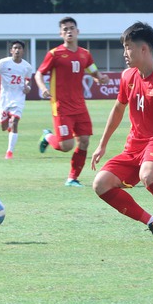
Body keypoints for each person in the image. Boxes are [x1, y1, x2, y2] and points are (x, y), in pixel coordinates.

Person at [91, 22, 153, 246]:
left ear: (143, 49)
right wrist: (102, 144)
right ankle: (152, 222)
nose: (124, 53)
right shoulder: (128, 76)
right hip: (133, 147)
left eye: (128, 47)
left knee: (149, 175)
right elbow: (118, 109)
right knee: (101, 184)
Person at [34, 16, 108, 186]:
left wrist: (100, 77)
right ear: (61, 33)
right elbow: (39, 73)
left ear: (77, 31)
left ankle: (72, 178)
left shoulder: (85, 54)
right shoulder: (54, 54)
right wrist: (43, 88)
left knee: (84, 141)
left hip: (80, 105)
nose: (69, 31)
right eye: (65, 29)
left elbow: (94, 72)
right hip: (61, 106)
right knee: (66, 145)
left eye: (71, 28)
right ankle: (48, 136)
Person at [0, 40, 34, 159]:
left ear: (23, 51)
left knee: (15, 122)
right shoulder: (3, 63)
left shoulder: (27, 66)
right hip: (5, 99)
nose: (17, 50)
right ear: (11, 50)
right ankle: (9, 128)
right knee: (4, 127)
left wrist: (27, 87)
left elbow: (28, 80)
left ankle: (9, 152)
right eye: (15, 48)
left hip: (18, 98)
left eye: (19, 48)